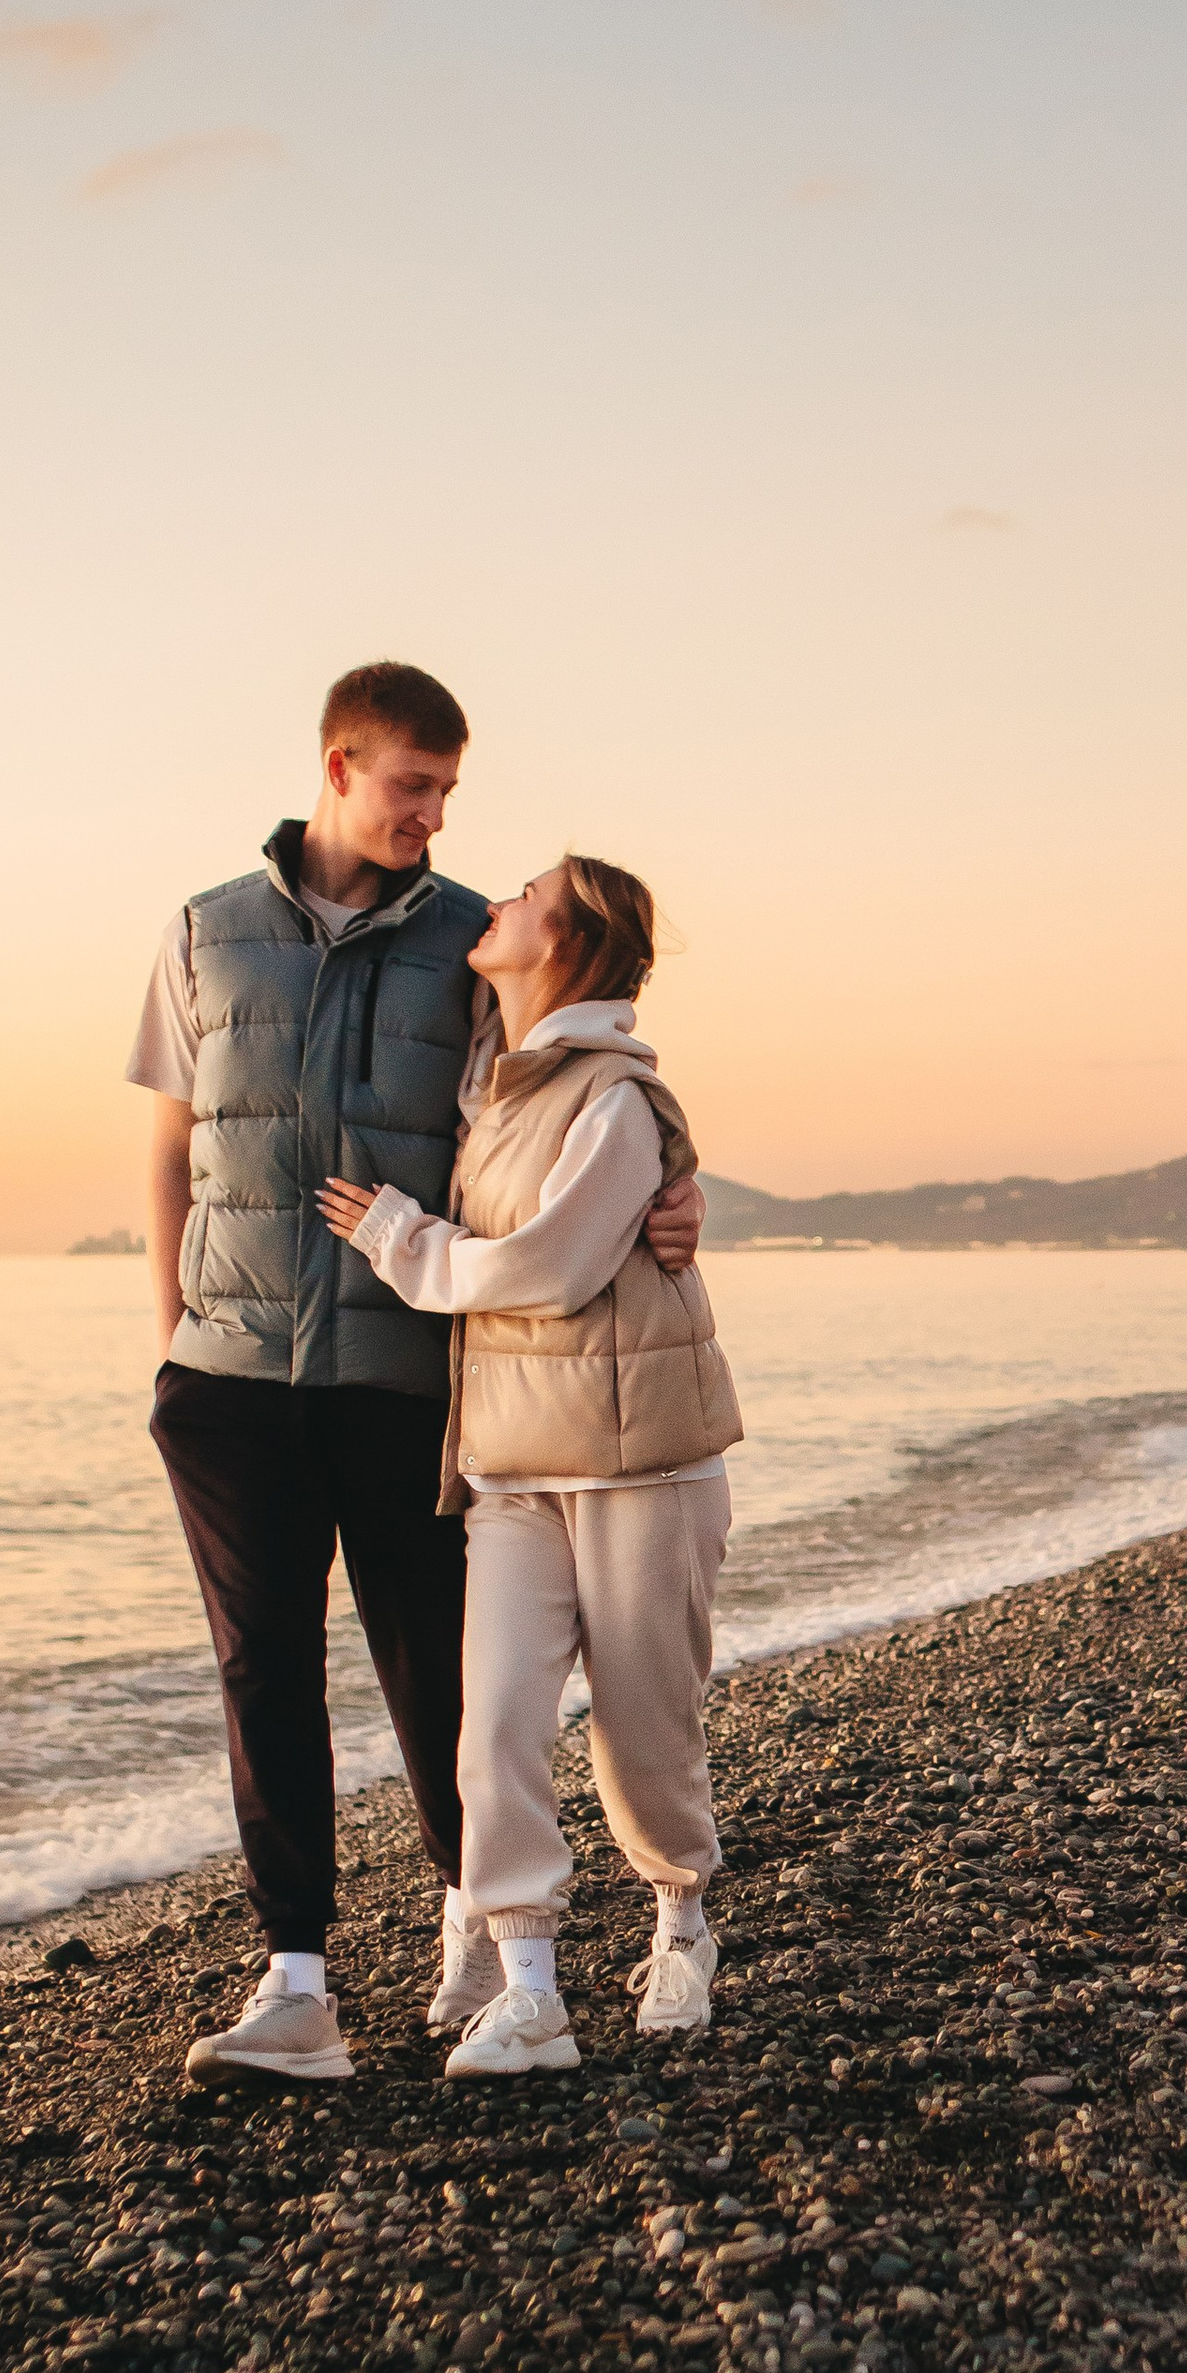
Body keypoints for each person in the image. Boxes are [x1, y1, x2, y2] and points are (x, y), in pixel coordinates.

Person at [128, 665, 703, 2085]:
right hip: (231, 1377)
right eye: (411, 787)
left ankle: (491, 1934)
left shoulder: (467, 942)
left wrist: (676, 1191)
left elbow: (575, 1100)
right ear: (339, 765)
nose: (435, 816)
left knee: (436, 1676)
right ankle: (298, 1986)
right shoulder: (206, 935)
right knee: (263, 1673)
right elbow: (166, 1143)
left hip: (406, 1382)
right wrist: (171, 1338)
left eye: (449, 792)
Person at [316, 855, 740, 2076]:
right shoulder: (488, 1082)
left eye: (525, 897)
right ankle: (532, 1988)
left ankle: (681, 1923)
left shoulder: (613, 1097)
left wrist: (406, 1241)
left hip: (639, 1466)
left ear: (573, 945)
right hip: (509, 1466)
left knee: (645, 1734)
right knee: (493, 1723)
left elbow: (550, 1271)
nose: (495, 903)